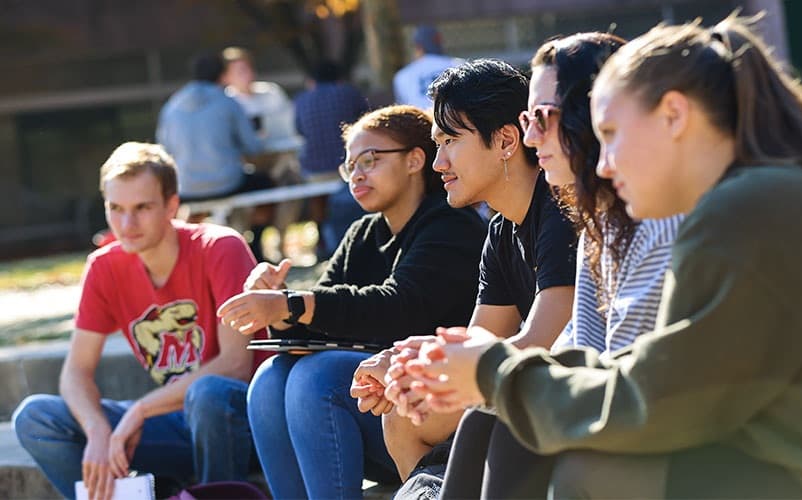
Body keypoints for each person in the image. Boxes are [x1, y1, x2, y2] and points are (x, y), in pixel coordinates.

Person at [400, 13, 802, 499]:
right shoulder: (761, 194)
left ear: (674, 115)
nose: (606, 163)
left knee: (587, 465)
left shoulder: (751, 209)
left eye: (611, 133)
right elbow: (655, 379)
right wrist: (498, 375)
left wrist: (495, 373)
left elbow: (656, 404)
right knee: (539, 439)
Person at [408, 32, 684, 499]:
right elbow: (579, 349)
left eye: (541, 117)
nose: (532, 138)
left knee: (512, 426)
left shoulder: (645, 220)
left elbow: (621, 382)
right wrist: (425, 364)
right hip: (626, 417)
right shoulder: (602, 225)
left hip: (671, 438)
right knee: (472, 417)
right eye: (526, 119)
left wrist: (481, 373)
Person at [217, 105, 487, 499]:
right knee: (269, 379)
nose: (357, 174)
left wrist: (291, 304)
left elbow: (398, 306)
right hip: (372, 412)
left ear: (415, 160)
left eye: (370, 160)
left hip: (436, 422)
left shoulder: (450, 223)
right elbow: (318, 316)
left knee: (318, 377)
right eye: (349, 166)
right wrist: (281, 305)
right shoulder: (363, 233)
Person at [350, 59, 578, 499]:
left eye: (451, 141)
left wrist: (426, 372)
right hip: (519, 392)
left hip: (562, 397)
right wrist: (405, 368)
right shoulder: (500, 228)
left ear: (507, 140)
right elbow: (478, 340)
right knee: (402, 411)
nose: (439, 163)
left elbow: (539, 343)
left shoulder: (560, 212)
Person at [13, 142, 268, 500]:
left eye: (142, 208)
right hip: (174, 426)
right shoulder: (104, 266)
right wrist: (98, 431)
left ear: (172, 205)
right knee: (36, 417)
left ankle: (213, 494)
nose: (126, 224)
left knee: (208, 394)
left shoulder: (220, 247)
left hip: (245, 423)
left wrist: (141, 409)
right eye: (115, 208)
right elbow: (74, 374)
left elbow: (235, 365)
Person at [156, 52, 269, 261]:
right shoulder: (227, 102)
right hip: (227, 181)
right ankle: (256, 243)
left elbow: (164, 148)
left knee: (195, 209)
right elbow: (253, 147)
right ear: (223, 75)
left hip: (187, 185)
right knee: (267, 183)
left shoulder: (173, 105)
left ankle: (192, 253)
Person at [221, 46, 305, 260]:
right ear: (227, 76)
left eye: (247, 68)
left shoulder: (270, 92)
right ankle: (248, 246)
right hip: (246, 164)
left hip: (278, 158)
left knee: (292, 183)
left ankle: (281, 240)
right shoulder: (227, 102)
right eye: (238, 70)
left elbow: (288, 124)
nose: (245, 74)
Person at [294, 60, 370, 258]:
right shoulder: (348, 93)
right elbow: (367, 123)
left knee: (318, 197)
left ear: (312, 81)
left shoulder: (302, 99)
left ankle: (322, 240)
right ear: (339, 79)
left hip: (314, 168)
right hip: (349, 164)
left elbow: (300, 130)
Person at [393, 25, 464, 110]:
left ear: (419, 47)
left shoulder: (403, 76)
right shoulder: (461, 66)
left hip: (421, 120)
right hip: (454, 121)